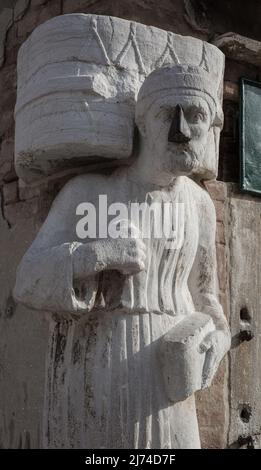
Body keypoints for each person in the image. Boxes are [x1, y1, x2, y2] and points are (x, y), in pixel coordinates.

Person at [14, 65, 230, 449]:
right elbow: (27, 279)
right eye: (167, 114)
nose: (181, 130)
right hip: (102, 364)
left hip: (171, 378)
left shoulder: (200, 205)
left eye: (195, 115)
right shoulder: (89, 193)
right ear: (142, 123)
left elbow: (206, 294)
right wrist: (94, 255)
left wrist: (220, 338)